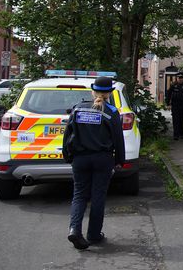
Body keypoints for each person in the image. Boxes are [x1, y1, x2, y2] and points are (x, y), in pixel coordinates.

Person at [63, 76, 125, 250]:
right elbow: (118, 139)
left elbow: (67, 135)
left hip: (80, 159)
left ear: (93, 91)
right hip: (102, 159)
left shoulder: (77, 109)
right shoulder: (111, 111)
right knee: (98, 196)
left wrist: (67, 155)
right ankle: (94, 235)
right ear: (109, 94)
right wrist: (120, 160)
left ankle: (74, 229)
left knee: (79, 195)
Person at [165, 71, 183, 140]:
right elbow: (168, 95)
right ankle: (176, 135)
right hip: (175, 105)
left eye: (181, 78)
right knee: (176, 120)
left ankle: (181, 134)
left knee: (182, 120)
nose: (180, 79)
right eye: (179, 78)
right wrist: (168, 104)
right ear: (176, 78)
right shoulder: (173, 85)